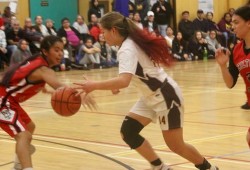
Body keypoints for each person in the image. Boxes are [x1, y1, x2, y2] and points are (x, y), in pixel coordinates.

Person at [75, 12, 218, 170]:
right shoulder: (129, 43)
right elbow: (136, 72)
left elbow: (124, 80)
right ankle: (160, 167)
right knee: (128, 131)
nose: (102, 36)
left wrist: (94, 85)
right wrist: (113, 84)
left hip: (166, 96)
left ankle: (210, 169)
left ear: (114, 30)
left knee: (177, 146)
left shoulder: (127, 48)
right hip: (151, 95)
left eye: (103, 32)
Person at [0, 35, 95, 170]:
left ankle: (18, 165)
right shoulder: (44, 69)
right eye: (56, 50)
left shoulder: (38, 62)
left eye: (61, 50)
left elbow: (24, 77)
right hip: (2, 100)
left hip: (9, 100)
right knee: (24, 136)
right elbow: (59, 86)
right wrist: (81, 92)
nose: (60, 53)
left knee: (30, 127)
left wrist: (44, 89)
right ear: (45, 51)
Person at [215, 6, 250, 111]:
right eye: (231, 23)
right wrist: (223, 66)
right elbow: (230, 83)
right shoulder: (236, 50)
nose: (232, 26)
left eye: (236, 22)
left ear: (248, 23)